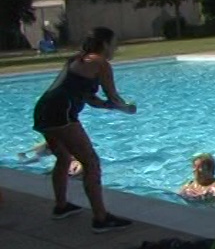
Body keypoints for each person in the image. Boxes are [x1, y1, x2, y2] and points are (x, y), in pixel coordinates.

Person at [31, 26, 136, 233]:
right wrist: (127, 108)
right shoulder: (100, 63)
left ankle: (61, 207)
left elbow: (90, 99)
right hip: (61, 113)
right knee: (91, 163)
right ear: (105, 44)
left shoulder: (77, 60)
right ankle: (101, 218)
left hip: (43, 110)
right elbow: (113, 97)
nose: (116, 47)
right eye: (114, 43)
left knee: (63, 158)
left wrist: (109, 106)